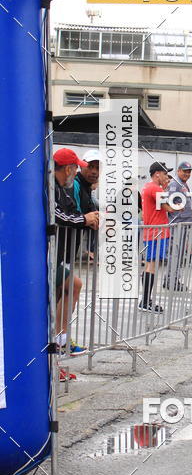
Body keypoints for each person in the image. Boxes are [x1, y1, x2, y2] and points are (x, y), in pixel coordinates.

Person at [54, 148, 100, 373]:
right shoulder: (53, 187)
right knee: (71, 286)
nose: (79, 171)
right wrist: (85, 219)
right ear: (69, 169)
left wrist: (89, 217)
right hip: (53, 254)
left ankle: (60, 346)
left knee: (67, 290)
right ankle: (60, 341)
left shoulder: (64, 188)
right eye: (78, 167)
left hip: (63, 252)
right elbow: (59, 215)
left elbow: (71, 212)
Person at [140, 161, 173, 312]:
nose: (167, 177)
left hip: (154, 231)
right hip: (156, 232)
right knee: (151, 266)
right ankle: (146, 301)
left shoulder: (150, 187)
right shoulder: (154, 188)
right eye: (165, 173)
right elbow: (170, 208)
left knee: (150, 264)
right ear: (157, 174)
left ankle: (146, 300)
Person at [165, 161, 192, 291]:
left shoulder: (183, 184)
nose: (187, 174)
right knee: (175, 253)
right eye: (184, 171)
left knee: (179, 253)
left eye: (189, 171)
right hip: (177, 224)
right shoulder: (174, 184)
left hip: (183, 224)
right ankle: (172, 281)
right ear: (178, 171)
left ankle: (171, 279)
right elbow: (169, 201)